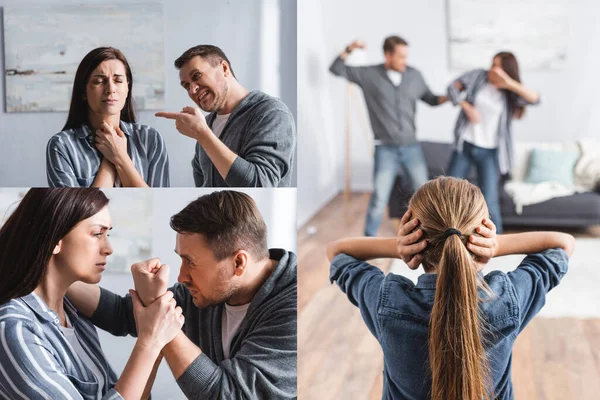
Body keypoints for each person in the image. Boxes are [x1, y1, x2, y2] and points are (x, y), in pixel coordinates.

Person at [327, 176, 574, 400]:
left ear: (414, 235)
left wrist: (399, 246)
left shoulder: (389, 303)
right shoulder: (506, 300)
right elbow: (563, 244)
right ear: (483, 231)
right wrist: (496, 246)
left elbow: (337, 251)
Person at [67, 190, 297, 399]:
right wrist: (52, 273)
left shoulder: (294, 307)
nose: (181, 277)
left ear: (238, 262)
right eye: (181, 258)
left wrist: (160, 315)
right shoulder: (202, 292)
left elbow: (227, 395)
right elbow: (122, 314)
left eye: (190, 262)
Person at [0, 188, 183, 399]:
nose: (109, 248)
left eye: (108, 233)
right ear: (54, 239)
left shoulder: (73, 314)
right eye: (98, 234)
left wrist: (155, 342)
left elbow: (117, 393)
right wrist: (149, 342)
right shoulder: (15, 329)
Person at [329, 36, 447, 237]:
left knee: (426, 195)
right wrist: (350, 48)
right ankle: (368, 243)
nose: (404, 61)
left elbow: (431, 99)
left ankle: (432, 237)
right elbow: (336, 68)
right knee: (379, 199)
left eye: (406, 56)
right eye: (400, 56)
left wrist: (450, 96)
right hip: (385, 149)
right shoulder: (369, 75)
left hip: (412, 148)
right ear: (387, 55)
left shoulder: (414, 76)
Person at [155, 45, 296, 187]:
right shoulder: (207, 123)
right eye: (186, 86)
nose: (192, 90)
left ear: (224, 68)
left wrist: (203, 135)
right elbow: (202, 190)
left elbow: (261, 185)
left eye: (196, 76)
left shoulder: (271, 113)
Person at [46, 47, 170, 188]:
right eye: (99, 81)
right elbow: (76, 210)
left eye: (118, 80)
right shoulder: (61, 145)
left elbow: (154, 201)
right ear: (83, 91)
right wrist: (110, 158)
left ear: (127, 88)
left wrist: (119, 156)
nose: (111, 89)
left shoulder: (151, 139)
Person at [446, 51, 541, 233]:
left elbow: (536, 99)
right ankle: (445, 235)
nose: (492, 69)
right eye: (492, 64)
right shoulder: (478, 76)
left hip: (490, 151)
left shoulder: (510, 92)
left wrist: (509, 83)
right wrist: (466, 106)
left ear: (506, 71)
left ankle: (495, 242)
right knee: (448, 191)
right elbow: (451, 88)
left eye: (497, 66)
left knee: (489, 199)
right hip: (465, 145)